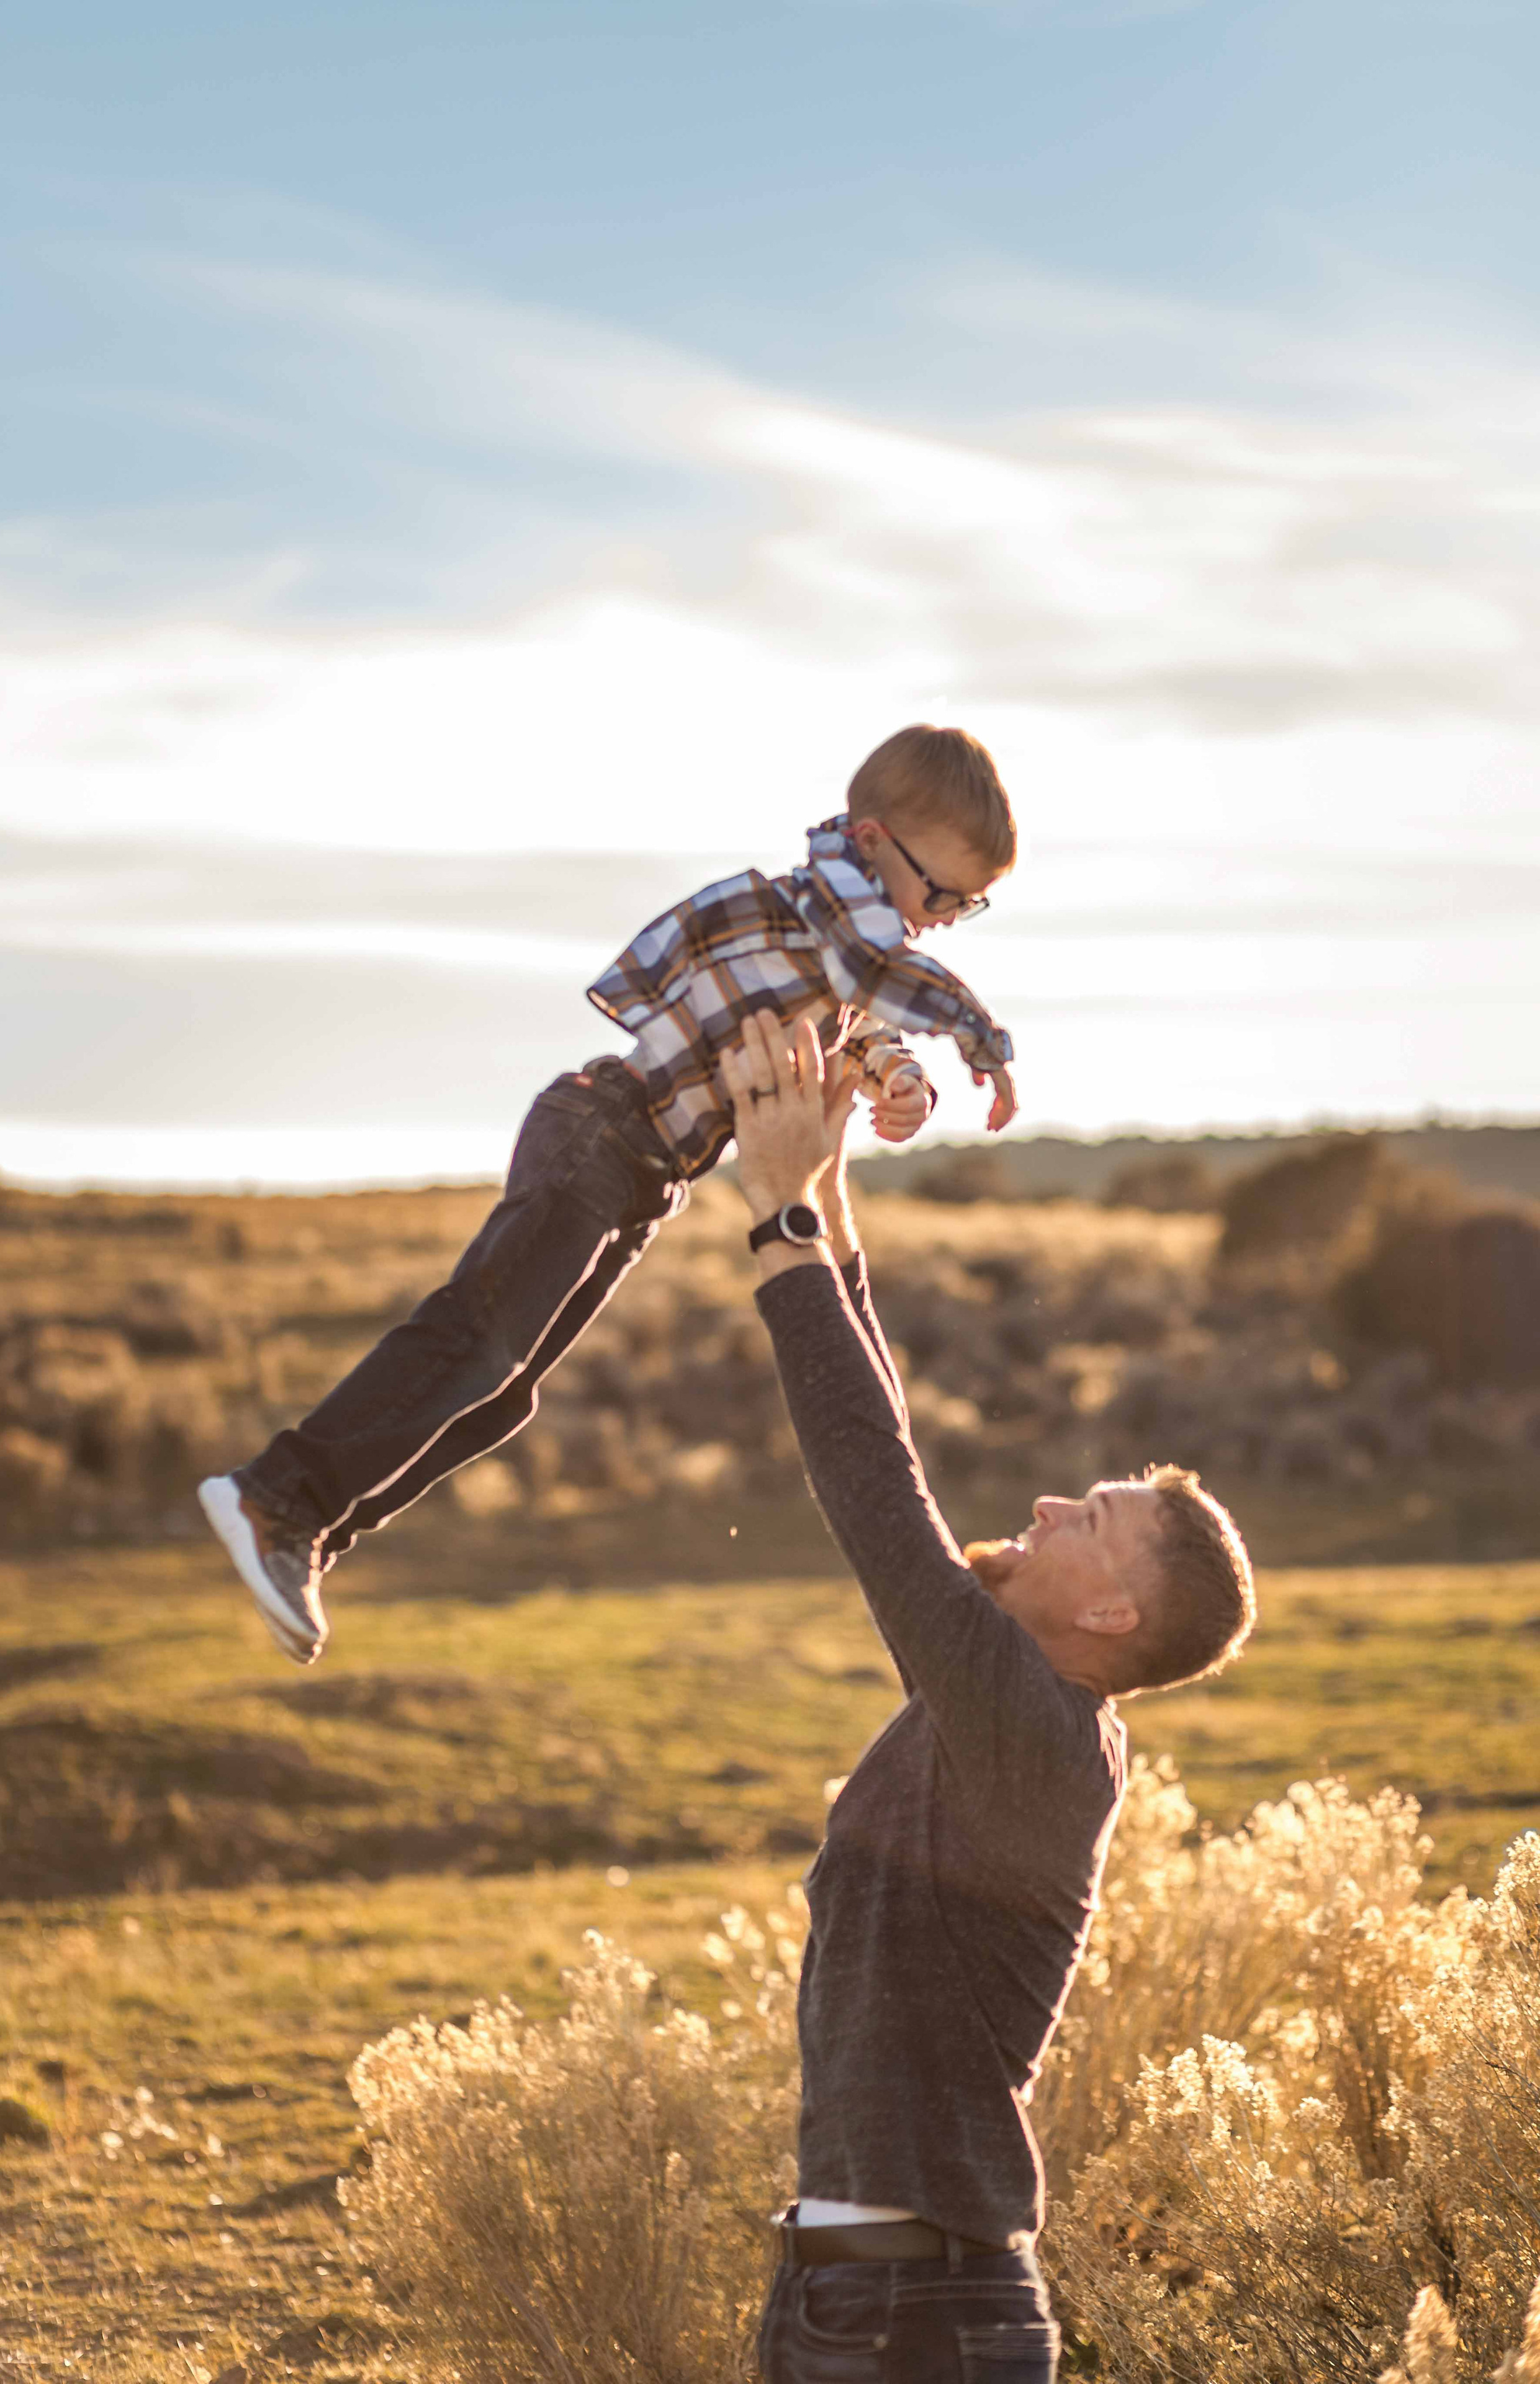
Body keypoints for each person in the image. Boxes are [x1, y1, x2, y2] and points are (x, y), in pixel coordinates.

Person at [198, 723, 1021, 1665]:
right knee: (477, 1339)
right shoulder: (835, 906)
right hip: (603, 1134)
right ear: (872, 842)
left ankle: (309, 1534)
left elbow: (858, 1015)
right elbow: (875, 975)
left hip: (640, 1176)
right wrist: (980, 1039)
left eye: (970, 909)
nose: (945, 920)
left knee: (504, 1396)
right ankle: (274, 1497)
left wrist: (898, 1079)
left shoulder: (833, 940)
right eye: (943, 894)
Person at [723, 1011, 1256, 2384]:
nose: (1041, 1504)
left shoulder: (1032, 1738)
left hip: (917, 2320)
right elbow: (884, 1437)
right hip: (871, 2303)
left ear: (1108, 1615)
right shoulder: (1002, 1714)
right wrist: (829, 1191)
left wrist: (775, 1222)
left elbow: (874, 1498)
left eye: (1083, 1517)